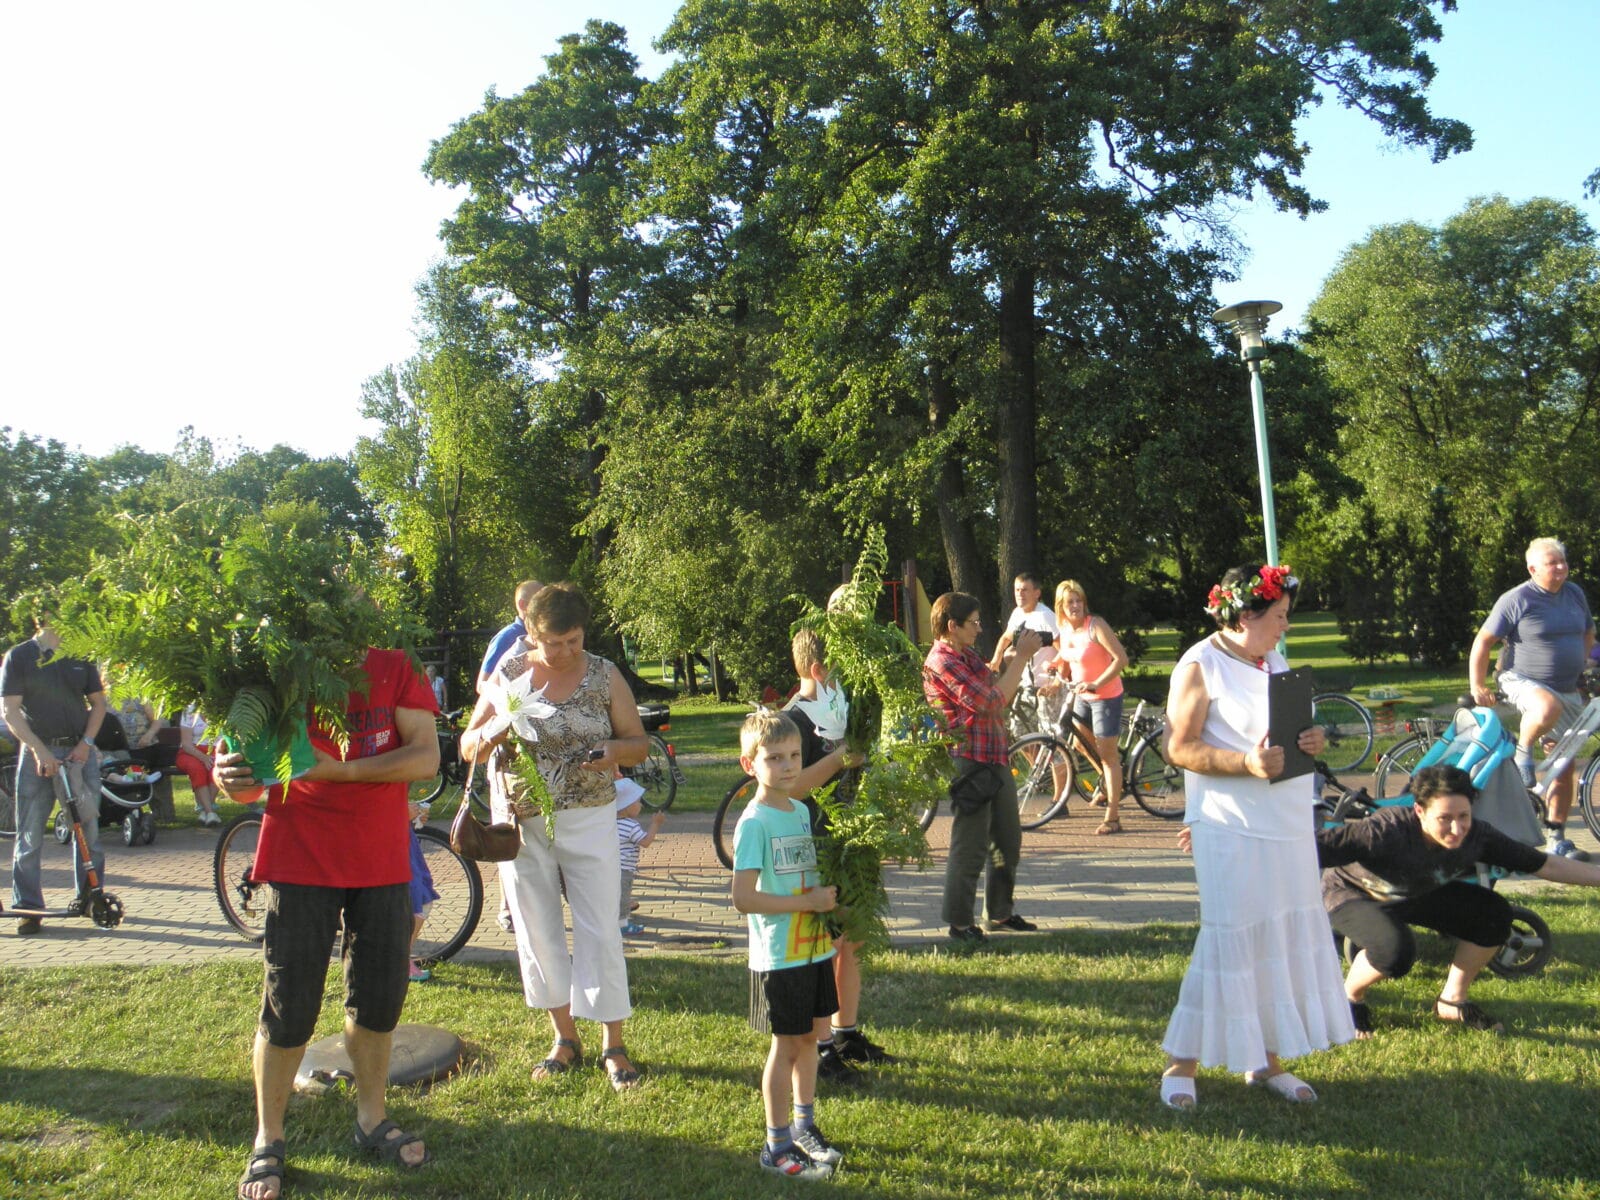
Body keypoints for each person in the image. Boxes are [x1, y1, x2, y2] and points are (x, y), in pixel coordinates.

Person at [215, 646, 440, 1200]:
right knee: (288, 1003)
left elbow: (424, 758)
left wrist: (340, 771)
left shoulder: (395, 664)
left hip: (380, 860)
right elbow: (247, 780)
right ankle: (268, 1138)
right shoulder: (273, 665)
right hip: (299, 857)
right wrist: (228, 776)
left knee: (378, 998)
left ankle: (371, 1119)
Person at [1159, 564, 1352, 1109]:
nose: (1286, 626)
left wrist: (1311, 739)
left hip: (1286, 823)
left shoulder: (1274, 661)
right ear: (1245, 615)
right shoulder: (1200, 664)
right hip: (1230, 824)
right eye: (1280, 616)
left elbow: (1285, 734)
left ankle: (1265, 1062)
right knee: (1230, 936)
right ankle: (1181, 1063)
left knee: (1277, 938)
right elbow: (1178, 747)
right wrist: (1244, 762)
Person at [460, 582, 650, 1091]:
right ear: (530, 631)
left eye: (574, 640)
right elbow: (467, 746)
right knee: (536, 928)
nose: (565, 651)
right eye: (553, 642)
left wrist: (614, 750)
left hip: (589, 816)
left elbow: (638, 744)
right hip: (520, 824)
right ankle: (564, 1038)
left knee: (601, 928)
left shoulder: (604, 674)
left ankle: (614, 1044)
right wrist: (494, 731)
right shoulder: (509, 673)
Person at [1317, 763, 1600, 1036]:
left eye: (1463, 816)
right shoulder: (1384, 830)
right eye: (1444, 818)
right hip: (1352, 893)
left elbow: (1544, 865)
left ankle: (1452, 1001)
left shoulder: (1478, 836)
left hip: (1412, 892)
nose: (1456, 828)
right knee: (1395, 952)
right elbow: (1313, 849)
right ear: (1420, 811)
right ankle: (1350, 998)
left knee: (1494, 914)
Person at [731, 709, 844, 1179]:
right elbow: (743, 898)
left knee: (812, 1038)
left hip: (814, 948)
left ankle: (803, 1126)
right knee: (786, 1046)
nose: (788, 766)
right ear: (749, 764)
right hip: (779, 956)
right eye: (774, 758)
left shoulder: (799, 811)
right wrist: (806, 902)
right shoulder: (754, 823)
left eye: (795, 755)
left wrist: (828, 903)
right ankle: (775, 1145)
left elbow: (806, 876)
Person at [781, 627, 891, 1081]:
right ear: (819, 669)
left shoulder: (845, 711)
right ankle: (822, 1044)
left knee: (853, 936)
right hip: (814, 844)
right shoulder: (793, 721)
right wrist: (838, 759)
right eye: (841, 670)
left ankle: (846, 1032)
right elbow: (789, 788)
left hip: (851, 841)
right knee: (824, 946)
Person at [922, 590, 1041, 942]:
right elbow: (990, 702)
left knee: (1007, 841)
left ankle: (999, 913)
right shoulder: (941, 661)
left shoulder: (966, 654)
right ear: (952, 626)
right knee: (970, 846)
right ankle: (960, 924)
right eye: (973, 623)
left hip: (994, 756)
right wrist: (1022, 658)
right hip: (969, 762)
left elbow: (992, 681)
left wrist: (1009, 658)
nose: (979, 628)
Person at [1469, 537, 1595, 860]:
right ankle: (1523, 752)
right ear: (1533, 569)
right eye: (1552, 563)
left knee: (1564, 765)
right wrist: (1477, 685)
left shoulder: (1574, 594)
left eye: (1563, 561)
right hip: (1519, 679)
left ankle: (1557, 838)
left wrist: (1581, 665)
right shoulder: (1517, 599)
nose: (1560, 567)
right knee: (1546, 706)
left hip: (1567, 688)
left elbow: (1587, 632)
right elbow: (1483, 641)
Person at [2, 609, 107, 935]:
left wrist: (86, 743)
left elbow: (99, 704)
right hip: (37, 754)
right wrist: (39, 750)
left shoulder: (81, 655)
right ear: (45, 616)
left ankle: (90, 899)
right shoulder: (20, 656)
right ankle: (28, 908)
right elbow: (10, 711)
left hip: (79, 754)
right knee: (30, 835)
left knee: (88, 831)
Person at [1040, 580, 1129, 835]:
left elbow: (1121, 659)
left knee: (1108, 757)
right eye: (1070, 602)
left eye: (1079, 600)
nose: (1076, 606)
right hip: (1082, 694)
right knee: (1080, 743)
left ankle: (1113, 817)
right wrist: (1054, 669)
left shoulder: (1095, 626)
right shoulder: (1066, 629)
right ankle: (1110, 783)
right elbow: (1067, 655)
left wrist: (1097, 683)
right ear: (1061, 606)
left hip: (1105, 696)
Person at [994, 573, 1060, 741]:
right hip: (1027, 685)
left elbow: (1063, 648)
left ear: (1037, 593)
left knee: (1050, 739)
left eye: (1024, 590)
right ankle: (1038, 760)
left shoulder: (1045, 616)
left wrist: (1056, 677)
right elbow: (1006, 638)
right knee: (1019, 732)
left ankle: (1058, 759)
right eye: (1017, 590)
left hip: (1047, 685)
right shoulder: (1017, 613)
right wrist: (996, 659)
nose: (1019, 594)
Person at [477, 579, 544, 694]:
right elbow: (483, 685)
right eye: (540, 602)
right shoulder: (506, 638)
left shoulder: (547, 634)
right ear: (523, 605)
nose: (547, 607)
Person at [616, 784, 664, 937]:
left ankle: (610, 923)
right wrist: (656, 824)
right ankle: (622, 925)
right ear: (626, 806)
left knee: (613, 897)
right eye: (637, 802)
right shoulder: (631, 825)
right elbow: (646, 841)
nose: (641, 805)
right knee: (623, 898)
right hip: (624, 870)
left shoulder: (609, 823)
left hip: (609, 867)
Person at [174, 706, 222, 826]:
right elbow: (186, 744)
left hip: (216, 750)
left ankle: (205, 812)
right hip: (191, 751)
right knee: (197, 768)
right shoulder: (189, 710)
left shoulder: (222, 709)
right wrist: (203, 757)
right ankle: (210, 811)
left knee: (217, 768)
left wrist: (212, 755)